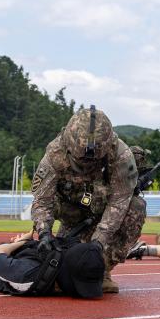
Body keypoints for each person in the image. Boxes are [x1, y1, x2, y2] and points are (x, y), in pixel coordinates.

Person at [30, 105, 145, 294]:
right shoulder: (55, 153)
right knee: (61, 260)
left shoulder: (121, 156)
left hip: (102, 210)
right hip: (69, 209)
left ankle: (101, 271)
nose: (87, 166)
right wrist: (44, 232)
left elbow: (119, 202)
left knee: (136, 206)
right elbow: (42, 200)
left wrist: (98, 244)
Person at [0, 232, 105, 299]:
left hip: (26, 254)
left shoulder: (76, 252)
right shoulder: (26, 276)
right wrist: (21, 242)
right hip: (16, 262)